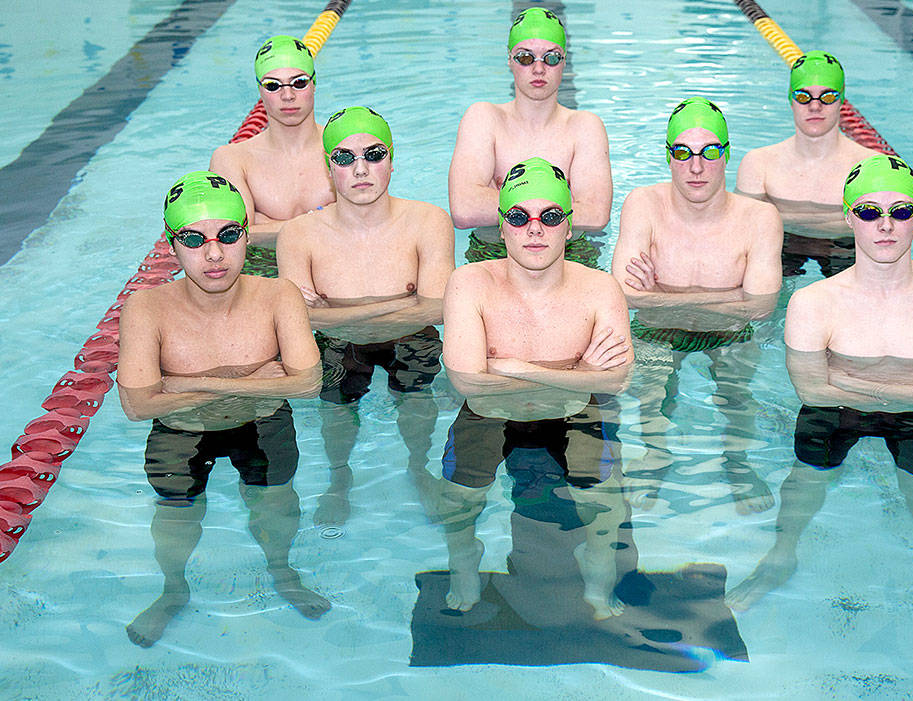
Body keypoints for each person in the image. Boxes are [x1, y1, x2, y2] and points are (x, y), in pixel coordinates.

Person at [726, 155, 913, 616]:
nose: (885, 226)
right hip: (845, 411)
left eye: (899, 211)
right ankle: (780, 556)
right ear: (848, 217)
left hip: (907, 417)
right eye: (869, 211)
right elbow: (812, 393)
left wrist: (849, 379)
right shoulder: (813, 302)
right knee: (805, 477)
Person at [116, 170, 328, 647]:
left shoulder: (278, 295)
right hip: (181, 433)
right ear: (172, 244)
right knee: (176, 514)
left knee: (276, 503)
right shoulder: (145, 308)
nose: (214, 254)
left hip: (263, 423)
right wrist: (252, 379)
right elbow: (136, 404)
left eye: (228, 235)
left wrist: (182, 383)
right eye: (195, 239)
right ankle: (173, 591)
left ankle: (282, 571)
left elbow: (309, 383)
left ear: (246, 237)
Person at [438, 158, 634, 619]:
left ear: (569, 228)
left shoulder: (601, 289)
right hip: (492, 412)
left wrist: (510, 365)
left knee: (605, 503)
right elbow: (465, 381)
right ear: (501, 228)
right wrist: (581, 368)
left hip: (574, 411)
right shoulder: (469, 283)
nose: (534, 229)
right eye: (518, 216)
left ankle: (598, 576)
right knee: (460, 500)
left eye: (550, 216)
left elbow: (619, 379)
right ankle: (463, 562)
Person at [276, 106, 455, 525]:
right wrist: (403, 304)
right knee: (336, 401)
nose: (361, 169)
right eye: (344, 158)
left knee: (416, 393)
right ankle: (340, 476)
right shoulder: (298, 235)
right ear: (328, 167)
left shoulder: (428, 220)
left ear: (392, 160)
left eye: (374, 155)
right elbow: (294, 320)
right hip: (344, 345)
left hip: (410, 337)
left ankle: (417, 466)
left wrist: (333, 310)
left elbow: (439, 308)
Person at [611, 98, 783, 514]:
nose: (696, 167)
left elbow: (761, 307)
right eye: (682, 153)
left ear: (727, 154)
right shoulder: (644, 204)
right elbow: (622, 295)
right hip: (656, 329)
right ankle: (655, 454)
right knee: (649, 391)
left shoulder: (760, 217)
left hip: (730, 333)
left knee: (737, 394)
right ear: (667, 157)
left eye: (709, 152)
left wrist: (663, 294)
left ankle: (737, 462)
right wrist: (730, 296)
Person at [448, 7, 612, 267]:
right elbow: (463, 210)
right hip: (494, 252)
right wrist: (556, 207)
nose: (538, 68)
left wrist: (509, 205)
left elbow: (596, 214)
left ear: (564, 63)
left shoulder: (585, 126)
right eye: (526, 57)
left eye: (551, 58)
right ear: (510, 60)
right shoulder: (483, 119)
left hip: (569, 256)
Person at [734, 50, 881, 277]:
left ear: (841, 100)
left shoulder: (869, 166)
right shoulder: (759, 163)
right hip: (782, 243)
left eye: (827, 96)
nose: (815, 106)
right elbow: (738, 232)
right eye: (804, 96)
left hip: (844, 246)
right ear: (790, 100)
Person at [210, 35, 335, 276]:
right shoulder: (233, 159)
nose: (287, 95)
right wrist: (324, 220)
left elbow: (368, 221)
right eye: (273, 86)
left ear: (314, 83)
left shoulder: (342, 149)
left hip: (332, 273)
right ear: (260, 90)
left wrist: (263, 226)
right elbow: (233, 238)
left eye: (298, 83)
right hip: (264, 275)